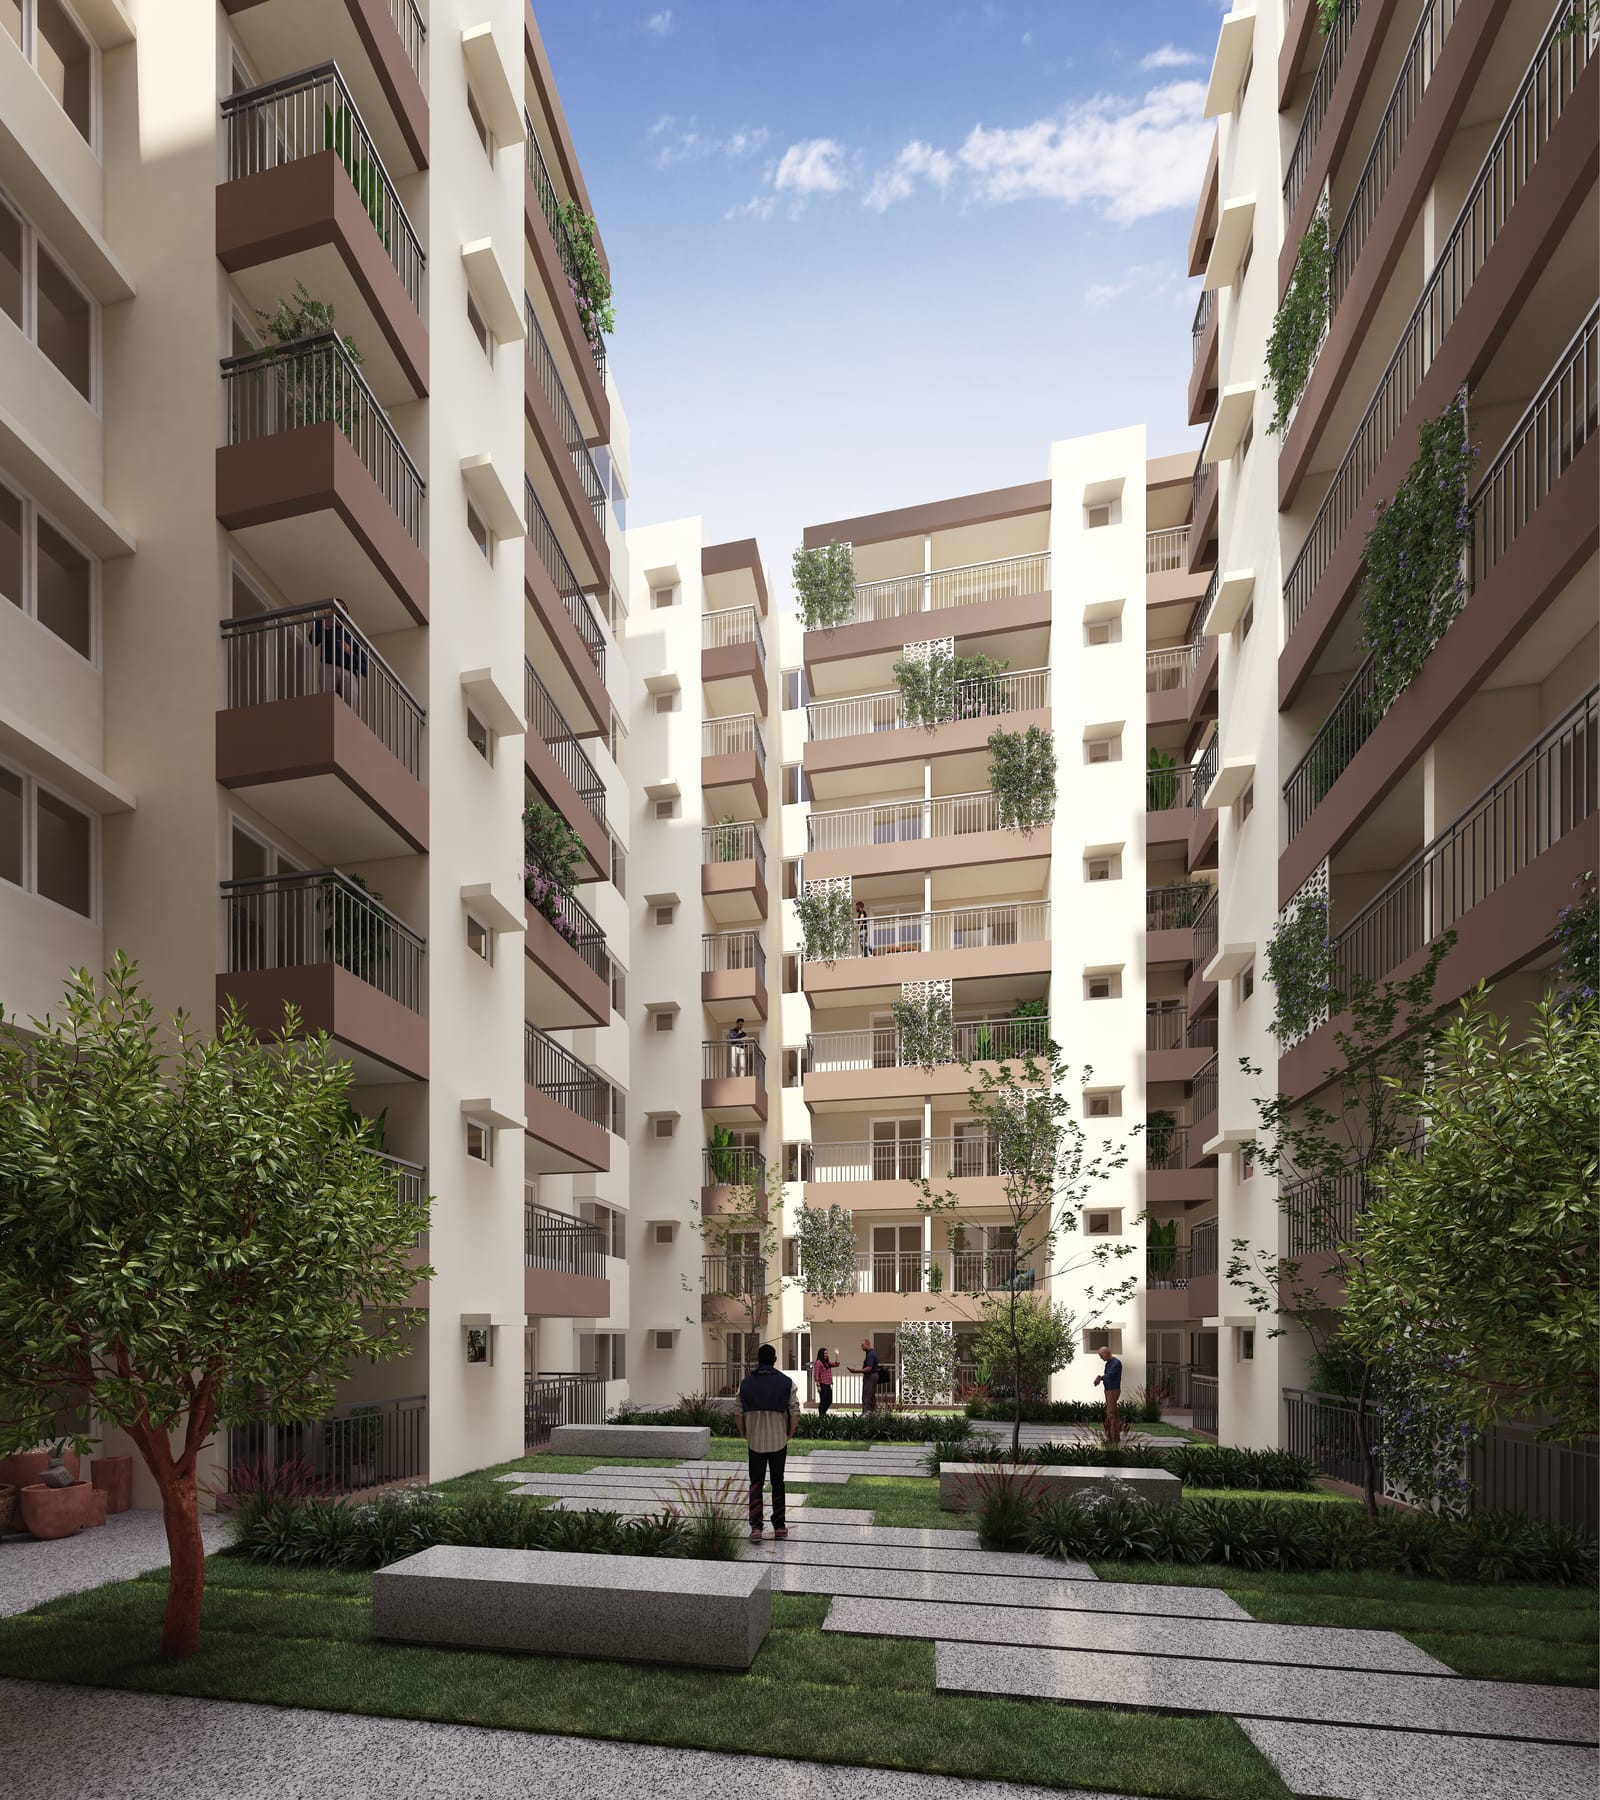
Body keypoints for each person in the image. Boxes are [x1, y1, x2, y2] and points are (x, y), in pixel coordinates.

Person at [736, 1342, 800, 1540]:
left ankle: (756, 1528)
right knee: (777, 1482)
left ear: (758, 1360)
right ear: (774, 1360)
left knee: (756, 1483)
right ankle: (779, 1526)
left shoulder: (745, 1383)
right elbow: (795, 1412)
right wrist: (788, 1433)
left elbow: (738, 1413)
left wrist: (745, 1433)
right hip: (778, 1441)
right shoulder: (786, 1382)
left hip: (754, 1442)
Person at [1093, 1344, 1124, 1444]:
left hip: (1113, 1390)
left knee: (1110, 1413)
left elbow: (1109, 1375)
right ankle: (1115, 1436)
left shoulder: (1116, 1363)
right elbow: (1107, 1375)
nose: (1101, 1358)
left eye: (1102, 1356)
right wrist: (1100, 1378)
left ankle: (1112, 1438)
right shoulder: (1108, 1363)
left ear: (1107, 1353)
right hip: (1108, 1389)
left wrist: (1100, 1378)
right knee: (1114, 1413)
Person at [850, 1337, 881, 1414]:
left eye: (862, 1345)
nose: (861, 1347)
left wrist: (856, 1371)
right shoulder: (872, 1353)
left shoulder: (870, 1354)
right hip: (873, 1376)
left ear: (867, 1344)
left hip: (870, 1376)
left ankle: (866, 1413)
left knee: (866, 1395)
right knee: (871, 1395)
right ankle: (873, 1413)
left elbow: (869, 1368)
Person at [812, 1345, 836, 1418]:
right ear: (821, 1354)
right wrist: (818, 1386)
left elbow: (836, 1364)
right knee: (823, 1401)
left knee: (829, 1400)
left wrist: (837, 1355)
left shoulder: (827, 1362)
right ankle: (821, 1415)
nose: (826, 1354)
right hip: (822, 1384)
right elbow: (816, 1375)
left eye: (827, 1353)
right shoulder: (818, 1362)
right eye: (825, 1353)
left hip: (828, 1384)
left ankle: (823, 1413)